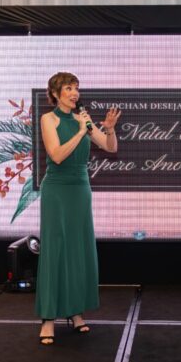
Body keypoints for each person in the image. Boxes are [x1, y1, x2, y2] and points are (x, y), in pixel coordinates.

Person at [36, 72, 121, 345]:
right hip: (57, 189)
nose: (75, 93)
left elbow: (109, 147)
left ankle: (76, 313)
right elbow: (57, 155)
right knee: (55, 249)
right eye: (69, 88)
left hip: (80, 189)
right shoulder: (49, 119)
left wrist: (109, 129)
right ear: (55, 93)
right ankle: (48, 318)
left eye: (76, 88)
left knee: (77, 249)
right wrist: (82, 131)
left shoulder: (82, 119)